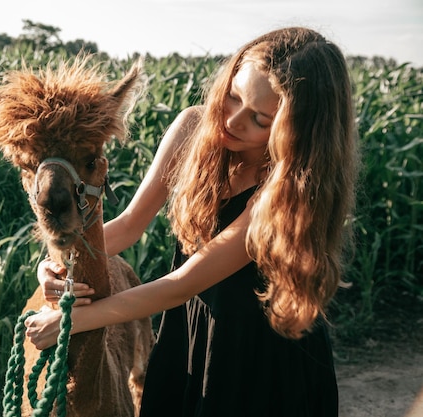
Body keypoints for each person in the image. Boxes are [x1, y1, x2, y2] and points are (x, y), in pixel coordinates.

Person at [25, 26, 359, 416]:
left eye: (260, 119)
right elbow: (131, 224)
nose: (234, 121)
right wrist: (54, 262)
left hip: (259, 352)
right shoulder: (191, 128)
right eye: (233, 97)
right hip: (188, 331)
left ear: (297, 130)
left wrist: (71, 321)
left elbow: (180, 285)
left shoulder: (286, 185)